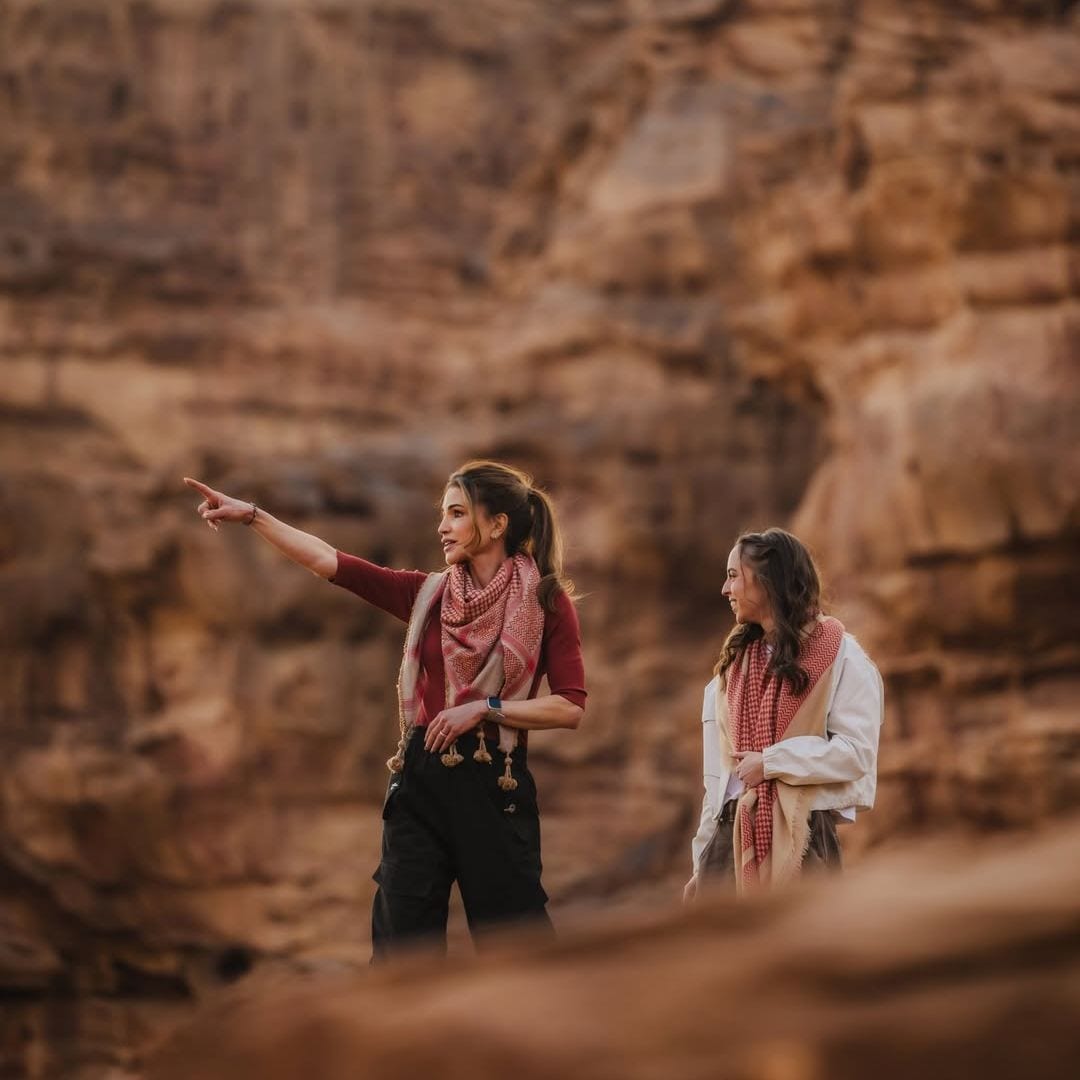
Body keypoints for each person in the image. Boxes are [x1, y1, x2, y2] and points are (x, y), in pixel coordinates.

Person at [184, 461, 586, 957]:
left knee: (518, 948)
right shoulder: (429, 594)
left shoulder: (546, 601)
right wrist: (252, 516)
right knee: (400, 950)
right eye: (444, 514)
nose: (442, 526)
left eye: (457, 514)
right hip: (420, 780)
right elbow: (330, 562)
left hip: (494, 783)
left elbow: (569, 707)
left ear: (498, 523)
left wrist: (485, 708)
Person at [684, 528, 883, 899]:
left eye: (733, 576)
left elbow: (857, 754)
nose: (725, 590)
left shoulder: (843, 657)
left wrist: (772, 762)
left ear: (768, 579)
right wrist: (702, 863)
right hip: (727, 848)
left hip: (804, 839)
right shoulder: (729, 674)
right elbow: (718, 784)